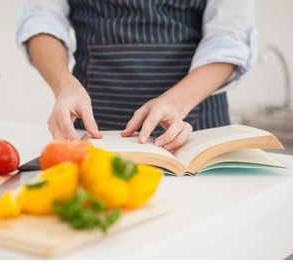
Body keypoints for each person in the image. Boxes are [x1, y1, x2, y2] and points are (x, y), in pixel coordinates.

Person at [16, 0, 257, 151]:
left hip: (197, 125)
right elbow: (42, 18)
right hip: (92, 131)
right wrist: (64, 85)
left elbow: (229, 39)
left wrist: (176, 102)